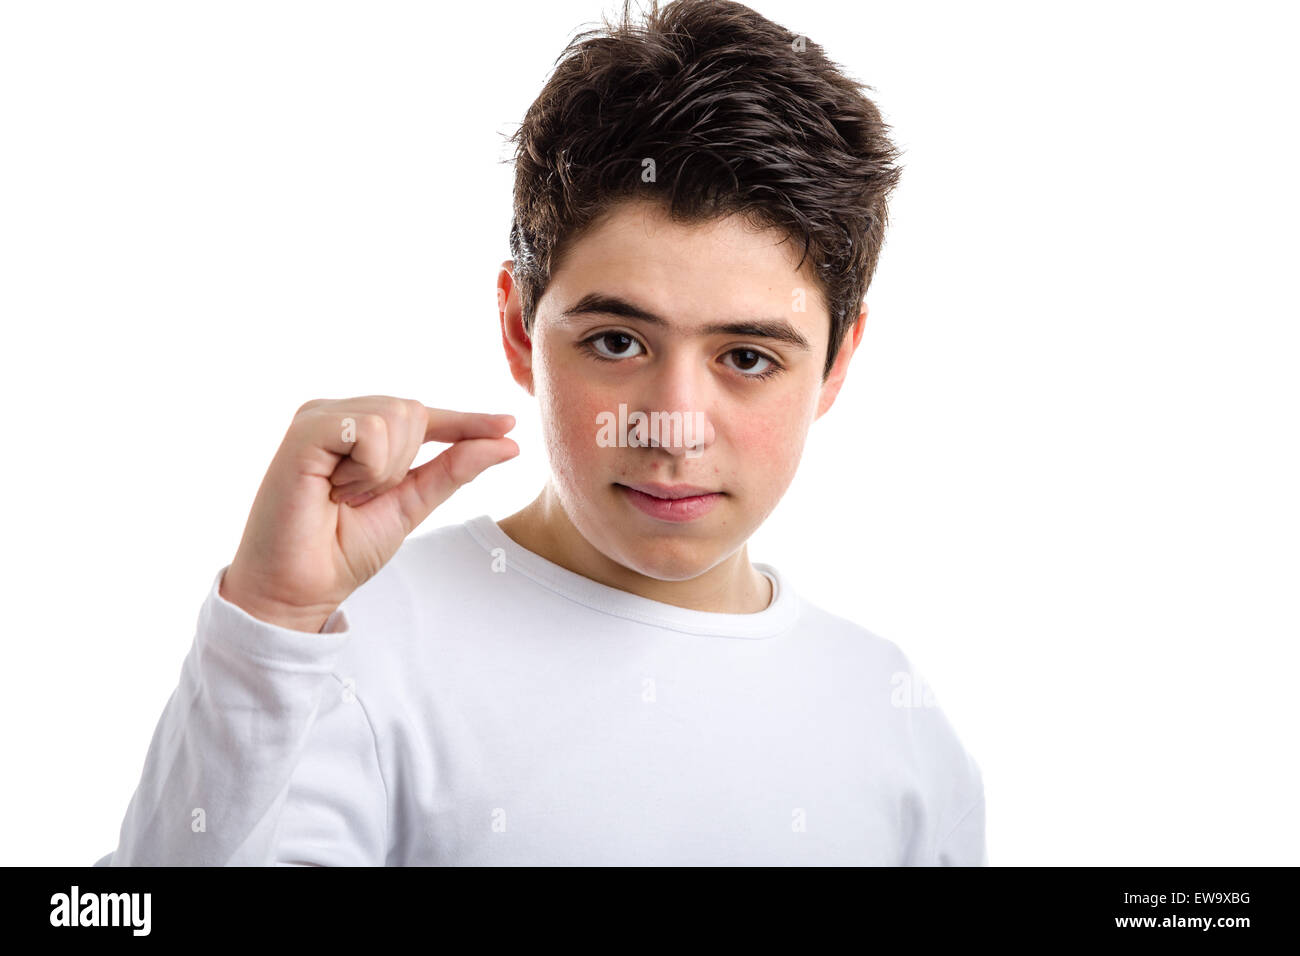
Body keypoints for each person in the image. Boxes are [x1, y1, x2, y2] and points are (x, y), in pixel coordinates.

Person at [98, 0, 986, 866]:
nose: (672, 428)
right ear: (520, 329)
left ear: (837, 363)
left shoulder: (893, 717)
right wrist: (271, 626)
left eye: (747, 358)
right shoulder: (343, 651)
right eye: (617, 341)